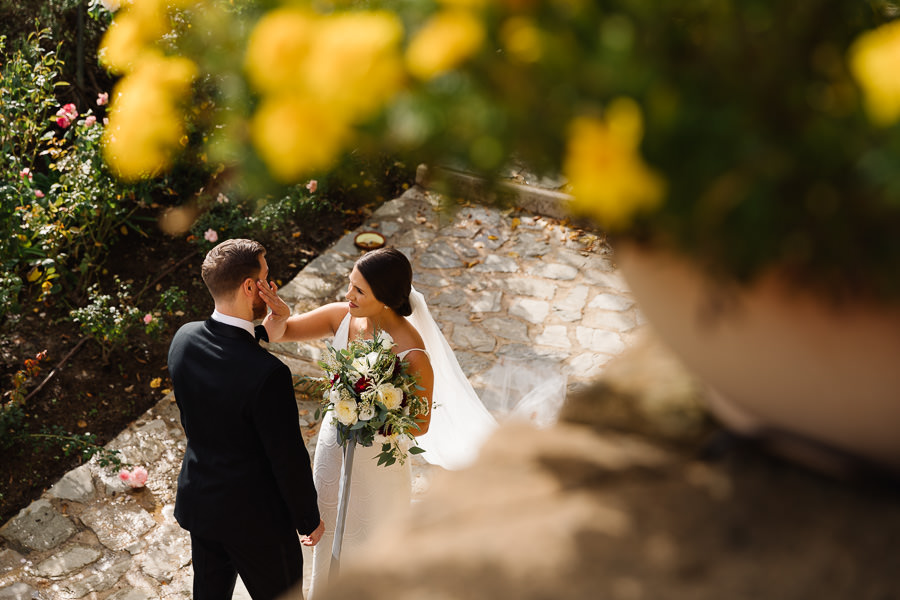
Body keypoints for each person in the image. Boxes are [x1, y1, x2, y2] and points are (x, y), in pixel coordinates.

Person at [256, 246, 497, 598]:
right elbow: (280, 333)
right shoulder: (341, 317)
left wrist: (374, 414)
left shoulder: (412, 353)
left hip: (377, 464)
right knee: (328, 529)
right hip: (332, 449)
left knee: (369, 546)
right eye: (350, 285)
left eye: (358, 291)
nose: (348, 295)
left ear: (384, 298)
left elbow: (421, 424)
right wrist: (279, 313)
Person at [168, 238, 325, 600]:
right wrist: (308, 518)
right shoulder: (267, 374)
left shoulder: (183, 338)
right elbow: (286, 457)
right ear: (250, 287)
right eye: (267, 278)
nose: (272, 286)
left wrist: (265, 331)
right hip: (258, 524)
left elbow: (224, 357)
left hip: (203, 505)